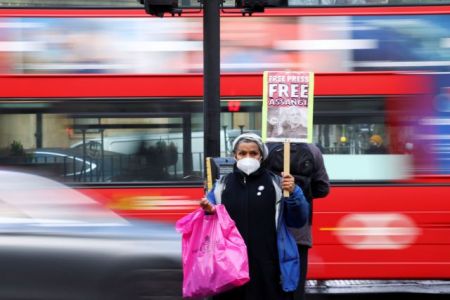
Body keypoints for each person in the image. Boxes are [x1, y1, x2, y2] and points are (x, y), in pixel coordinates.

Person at [200, 133, 310, 300]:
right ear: (234, 155)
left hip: (268, 267)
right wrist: (208, 211)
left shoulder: (279, 184)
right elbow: (206, 224)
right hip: (229, 267)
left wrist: (294, 193)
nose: (248, 157)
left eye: (253, 153)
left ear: (261, 156)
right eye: (242, 153)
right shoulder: (221, 186)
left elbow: (298, 220)